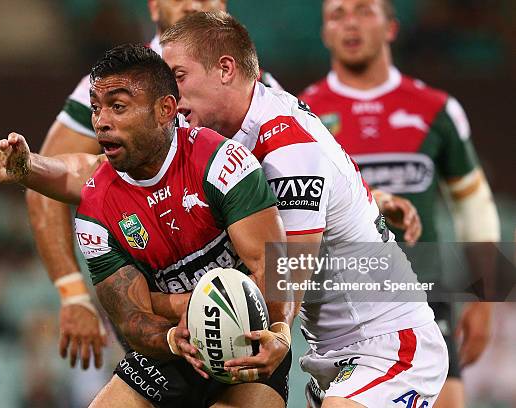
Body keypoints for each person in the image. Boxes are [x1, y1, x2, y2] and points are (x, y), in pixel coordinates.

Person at [152, 11, 448, 407]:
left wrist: (161, 305)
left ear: (225, 69)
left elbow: (286, 270)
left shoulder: (286, 146)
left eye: (179, 76)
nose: (169, 97)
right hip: (331, 354)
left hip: (389, 344)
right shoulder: (245, 126)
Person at [0, 44, 293, 408]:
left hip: (246, 341)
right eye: (96, 108)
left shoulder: (222, 163)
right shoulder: (96, 209)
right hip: (172, 348)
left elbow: (275, 265)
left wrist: (280, 333)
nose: (101, 122)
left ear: (165, 110)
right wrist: (173, 336)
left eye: (118, 107)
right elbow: (131, 318)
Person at [25, 0, 283, 371]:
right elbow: (51, 179)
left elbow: (297, 177)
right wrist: (72, 293)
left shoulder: (251, 81)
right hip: (157, 306)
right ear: (154, 5)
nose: (194, 4)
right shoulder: (111, 85)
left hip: (248, 287)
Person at [298, 1, 500, 406]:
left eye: (364, 11)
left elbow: (472, 205)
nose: (350, 23)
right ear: (324, 34)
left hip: (423, 289)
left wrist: (487, 295)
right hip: (343, 302)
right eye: (337, 15)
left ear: (391, 27)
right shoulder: (302, 115)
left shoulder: (437, 110)